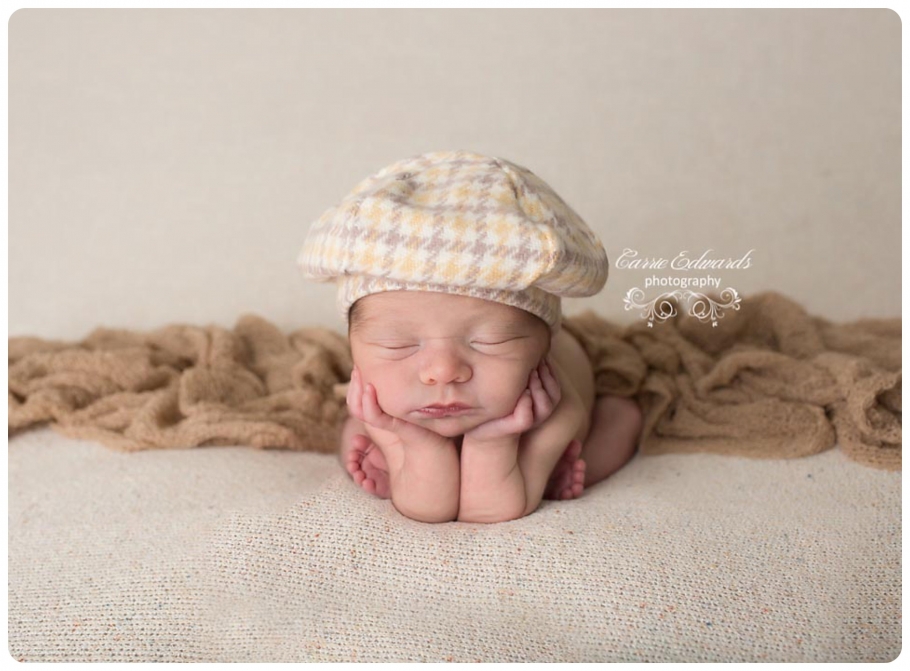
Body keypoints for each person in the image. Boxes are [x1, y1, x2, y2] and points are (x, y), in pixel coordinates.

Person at [299, 150, 643, 524]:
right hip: (406, 415)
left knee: (619, 422)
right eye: (398, 344)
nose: (443, 371)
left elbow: (489, 511)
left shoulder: (557, 411)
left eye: (489, 342)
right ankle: (406, 460)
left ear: (543, 348)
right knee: (355, 427)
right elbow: (429, 510)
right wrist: (418, 443)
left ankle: (546, 470)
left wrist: (493, 441)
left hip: (551, 420)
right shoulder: (384, 406)